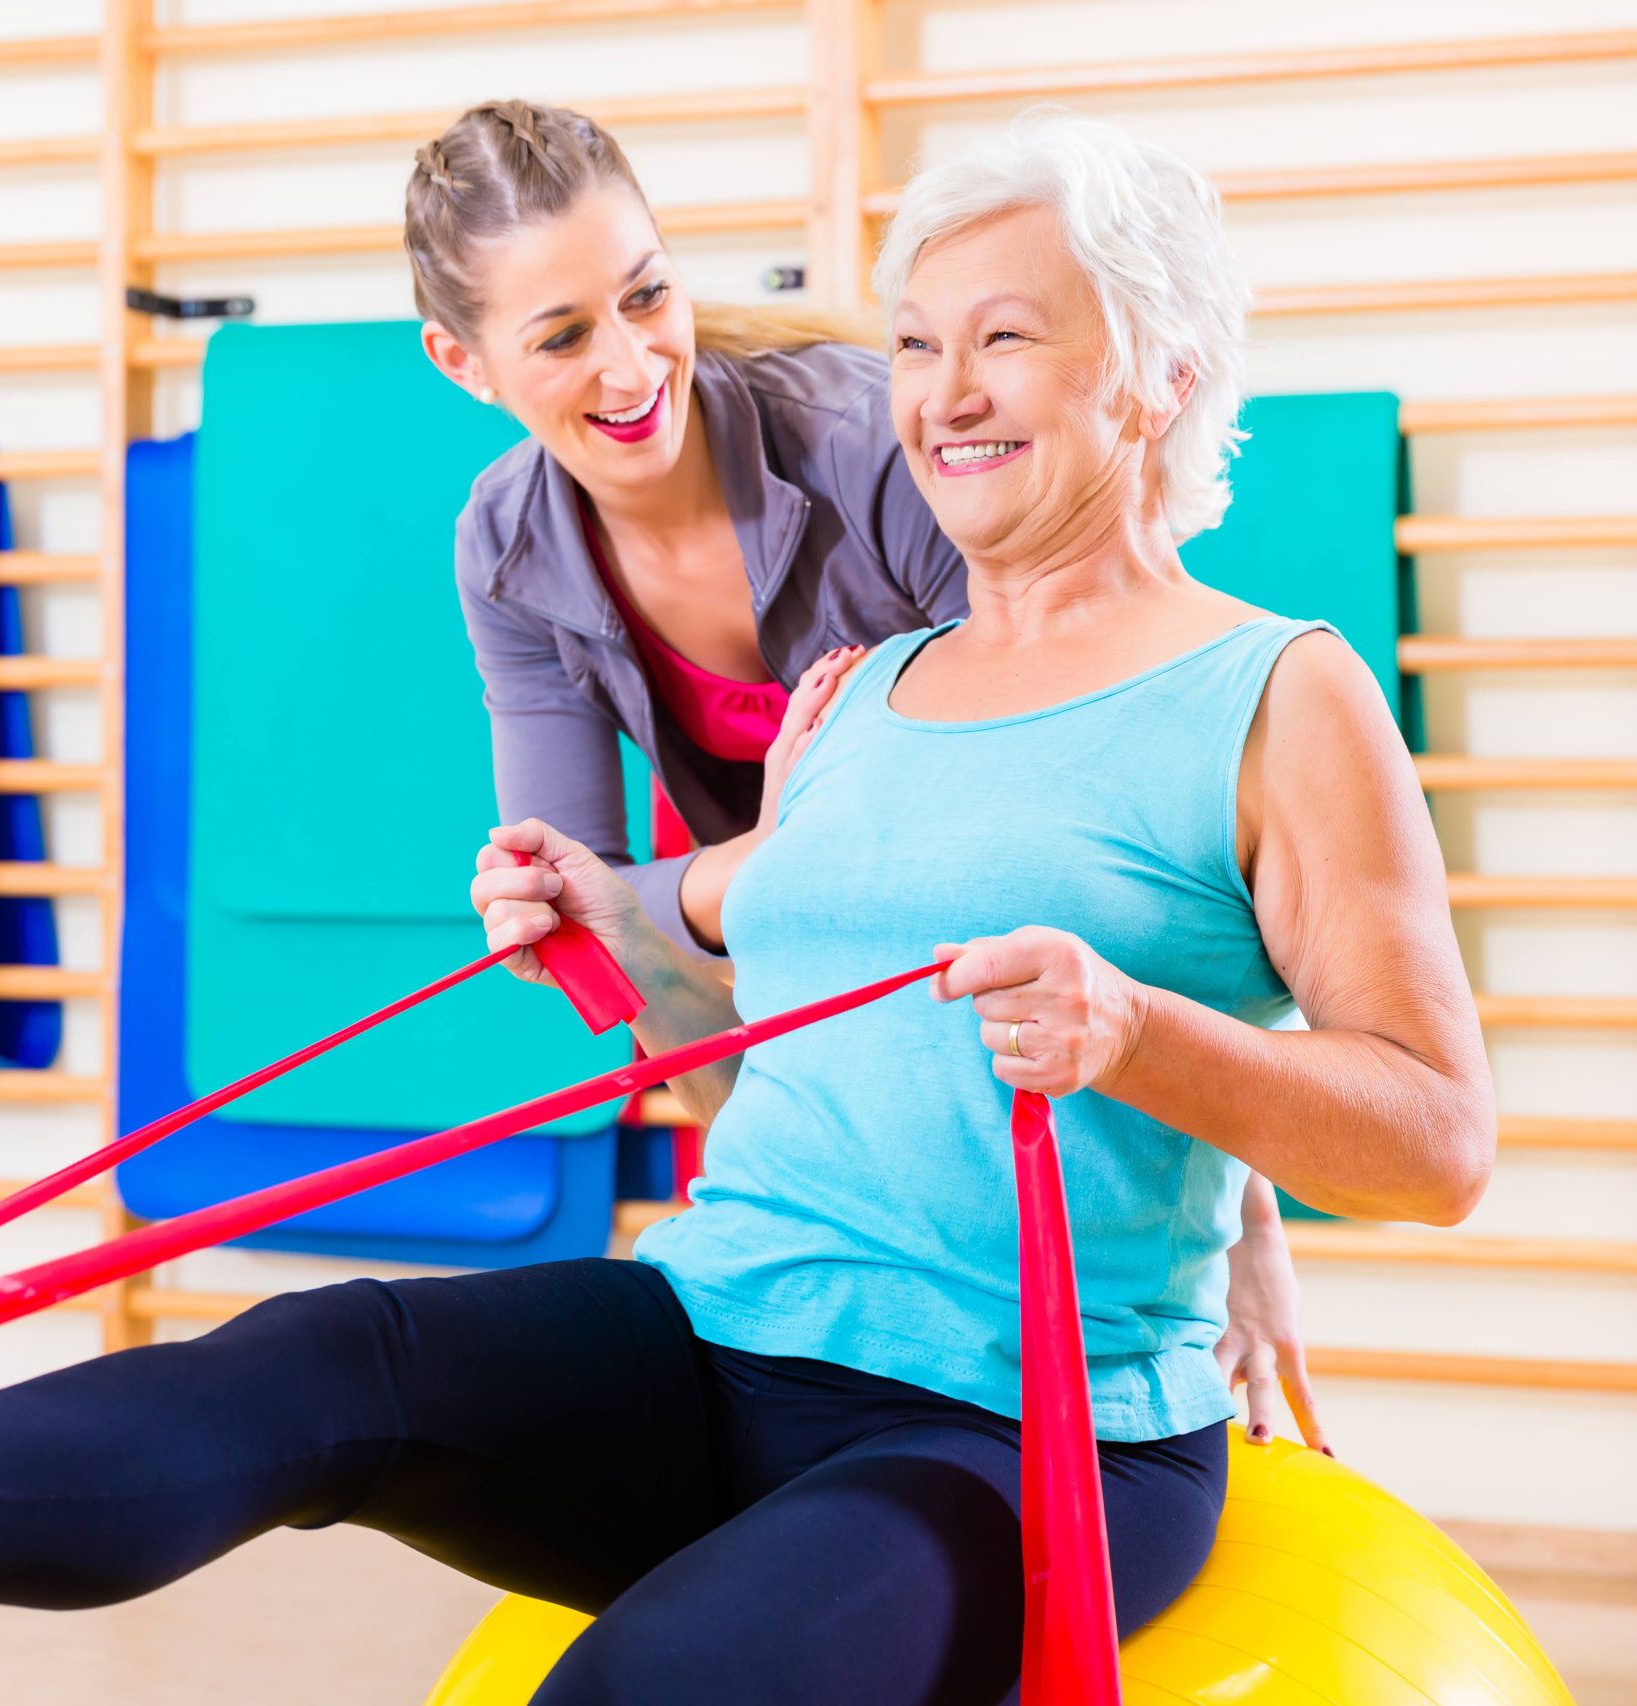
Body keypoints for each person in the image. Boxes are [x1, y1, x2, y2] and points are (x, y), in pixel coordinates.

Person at [0, 114, 1491, 1706]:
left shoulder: (1271, 689)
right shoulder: (853, 692)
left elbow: (1430, 1131)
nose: (936, 389)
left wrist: (1155, 1059)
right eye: (917, 337)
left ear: (1151, 372)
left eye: (1003, 340)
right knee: (320, 1357)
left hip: (1019, 1439)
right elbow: (710, 965)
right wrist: (586, 903)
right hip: (721, 1318)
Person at [412, 99, 1322, 1450]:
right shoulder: (505, 542)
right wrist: (567, 903)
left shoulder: (873, 453)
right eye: (560, 336)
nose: (630, 363)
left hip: (991, 888)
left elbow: (1095, 832)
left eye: (648, 295)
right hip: (774, 901)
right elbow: (598, 908)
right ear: (463, 361)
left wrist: (1242, 1208)